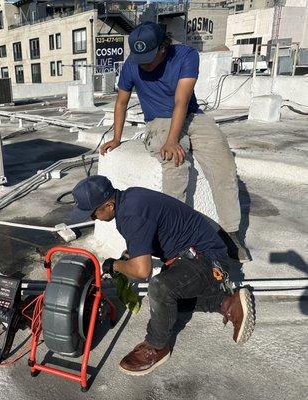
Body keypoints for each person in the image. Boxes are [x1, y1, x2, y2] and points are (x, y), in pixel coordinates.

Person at [71, 175, 256, 376]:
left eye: (92, 213)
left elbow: (142, 272)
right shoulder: (129, 199)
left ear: (108, 205)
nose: (92, 219)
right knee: (168, 308)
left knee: (160, 288)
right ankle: (226, 303)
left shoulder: (131, 215)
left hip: (209, 260)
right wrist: (129, 256)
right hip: (192, 255)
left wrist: (115, 265)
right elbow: (144, 236)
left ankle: (156, 347)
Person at [100, 22, 251, 263]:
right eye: (139, 58)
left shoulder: (186, 56)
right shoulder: (132, 64)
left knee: (223, 164)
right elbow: (121, 103)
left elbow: (181, 102)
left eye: (148, 57)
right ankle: (174, 238)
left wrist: (173, 139)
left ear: (163, 47)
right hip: (157, 121)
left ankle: (230, 233)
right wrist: (117, 138)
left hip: (191, 116)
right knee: (176, 165)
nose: (144, 64)